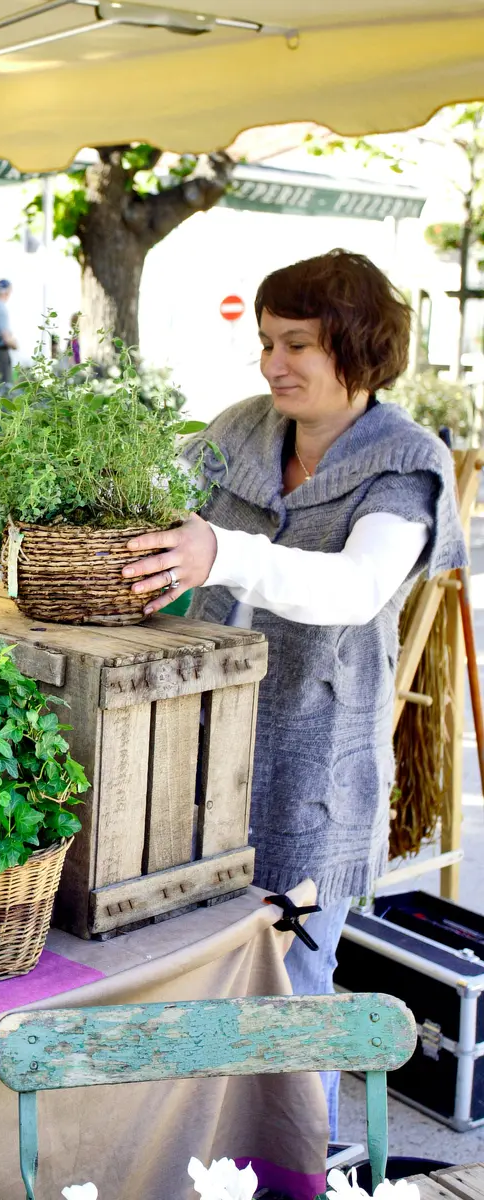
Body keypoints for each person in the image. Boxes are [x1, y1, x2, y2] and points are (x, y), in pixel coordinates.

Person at [120, 249, 467, 1137]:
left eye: (298, 345)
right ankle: (200, 1170)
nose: (275, 363)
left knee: (294, 995)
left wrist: (222, 554)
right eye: (267, 342)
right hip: (198, 760)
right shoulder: (240, 431)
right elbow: (144, 495)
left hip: (312, 783)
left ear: (358, 349)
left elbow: (354, 591)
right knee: (196, 988)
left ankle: (292, 1173)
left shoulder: (402, 461)